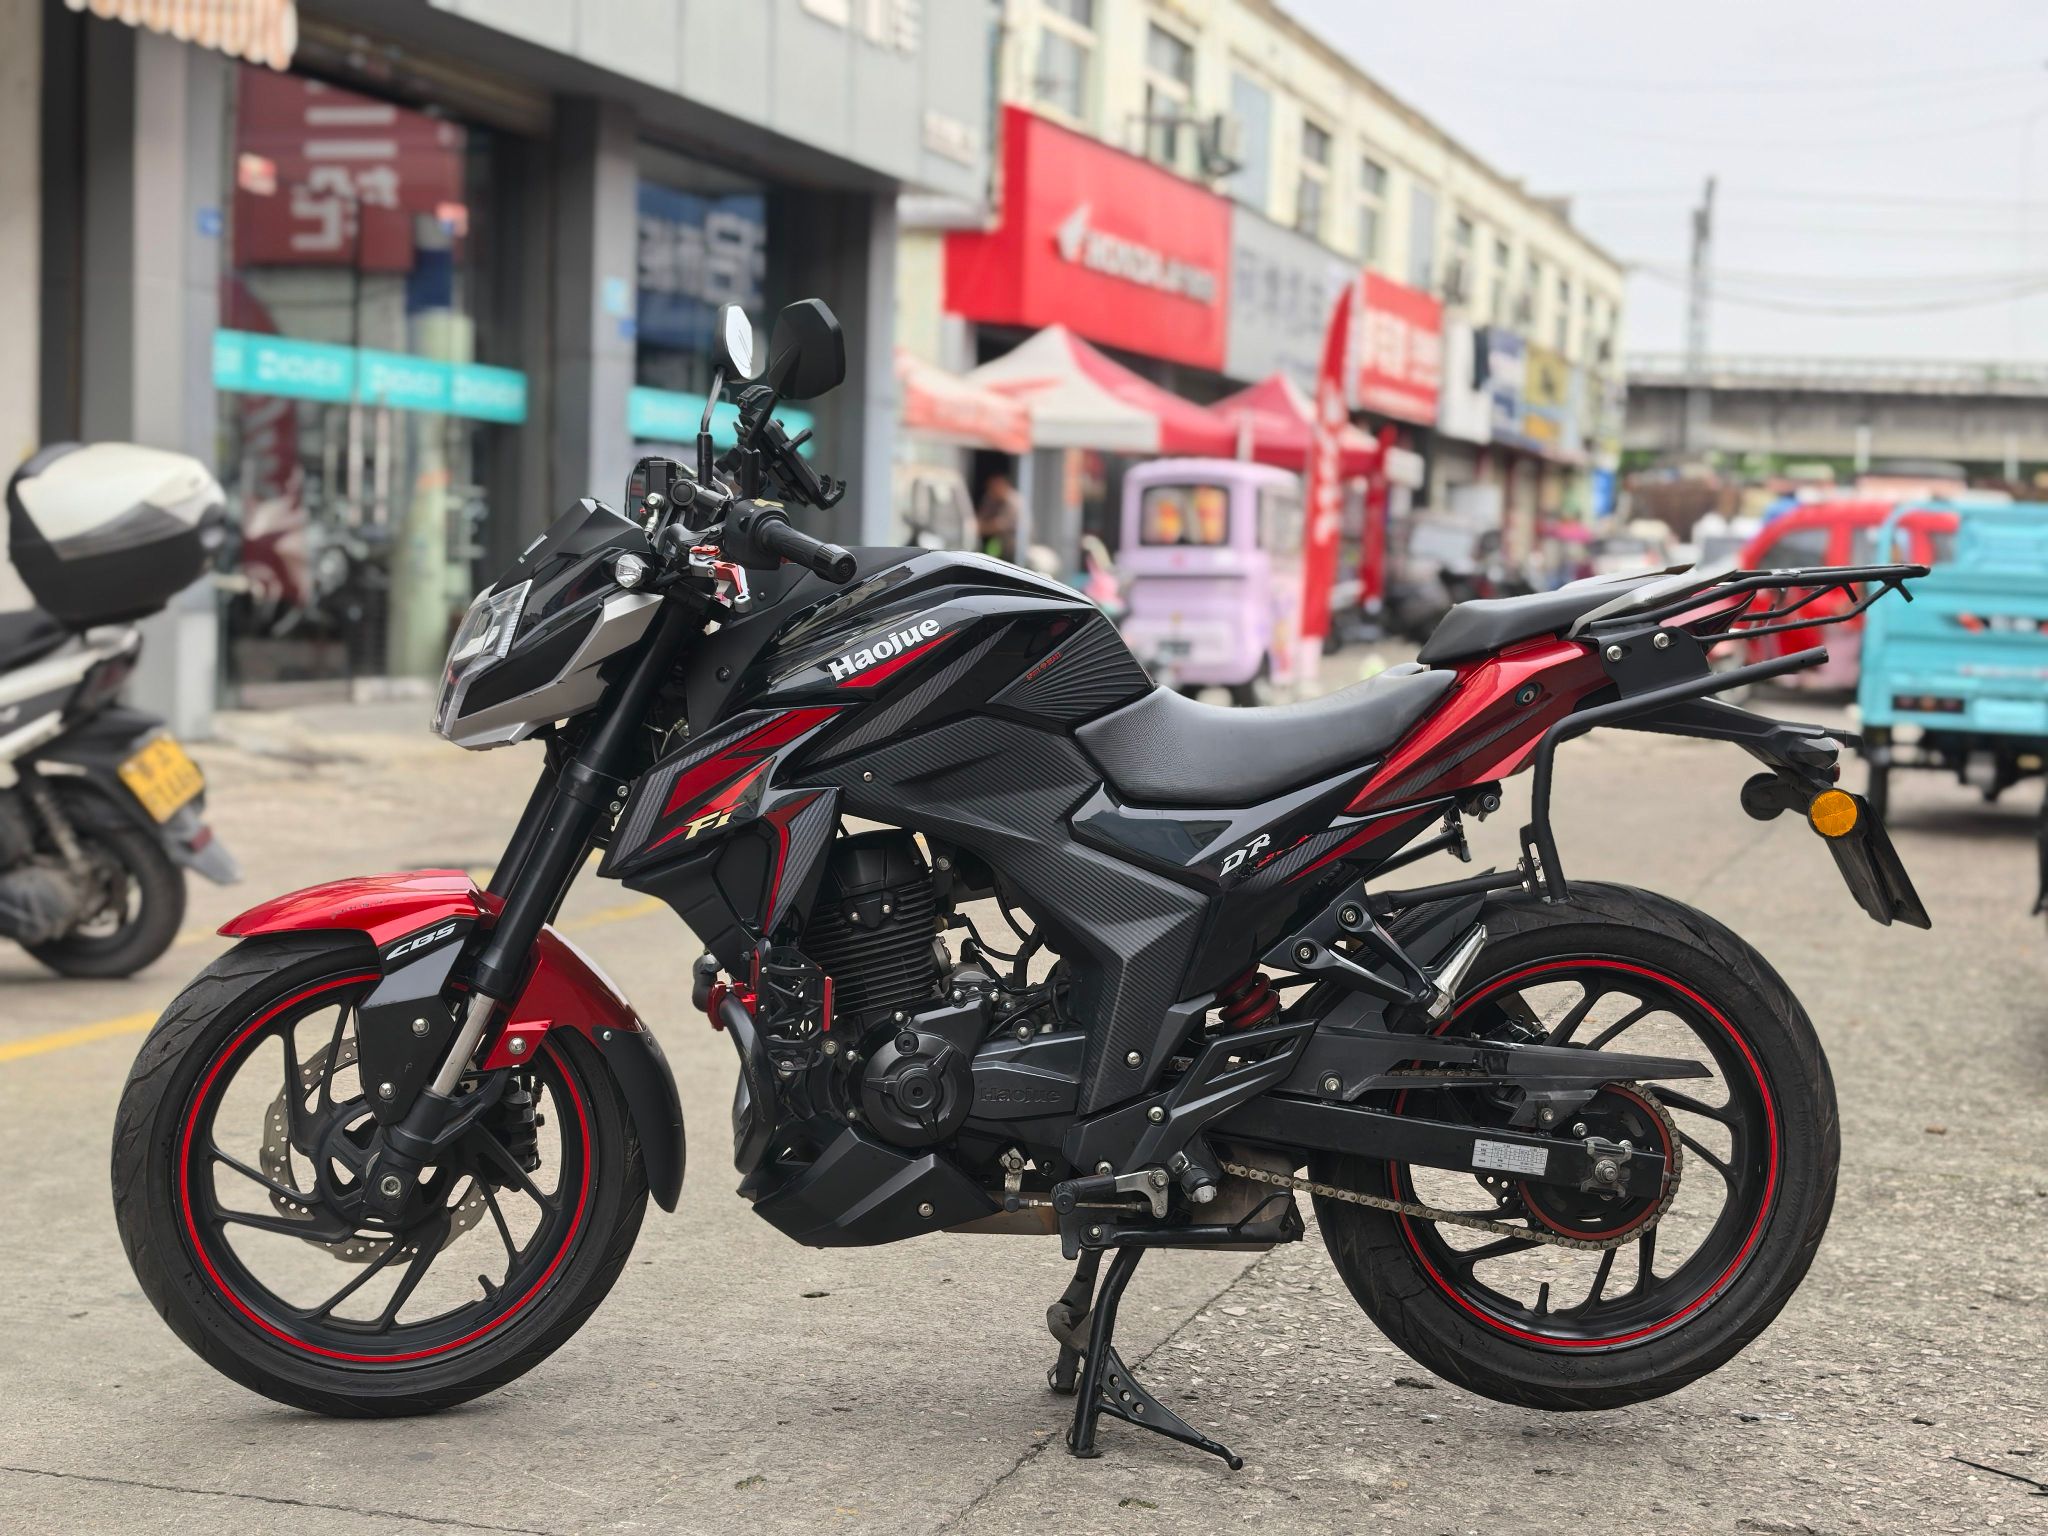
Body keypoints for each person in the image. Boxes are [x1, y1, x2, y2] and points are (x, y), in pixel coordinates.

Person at [976, 474, 1021, 562]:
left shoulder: (1014, 501)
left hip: (1015, 547)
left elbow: (999, 525)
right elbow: (982, 517)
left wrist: (977, 528)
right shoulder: (991, 498)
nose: (991, 491)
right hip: (998, 544)